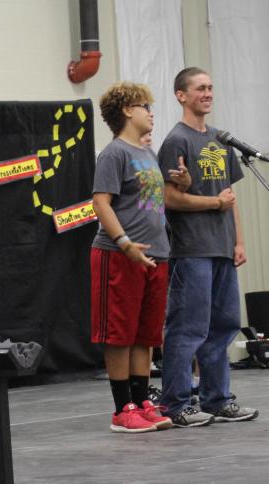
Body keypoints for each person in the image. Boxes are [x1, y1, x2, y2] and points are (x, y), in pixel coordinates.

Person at [157, 67, 259, 427]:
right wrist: (214, 204)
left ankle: (217, 398)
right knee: (188, 328)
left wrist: (239, 240)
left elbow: (231, 198)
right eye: (200, 88)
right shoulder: (176, 141)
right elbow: (169, 198)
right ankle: (176, 403)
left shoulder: (221, 139)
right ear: (181, 95)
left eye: (211, 87)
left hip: (222, 249)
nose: (208, 93)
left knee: (225, 325)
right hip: (192, 249)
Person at [91, 81, 188, 433]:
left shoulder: (147, 153)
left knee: (145, 334)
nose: (151, 112)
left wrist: (184, 184)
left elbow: (152, 201)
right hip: (120, 254)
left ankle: (142, 399)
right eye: (145, 105)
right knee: (120, 333)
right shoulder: (114, 153)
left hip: (155, 254)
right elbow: (101, 202)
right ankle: (122, 409)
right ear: (128, 111)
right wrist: (124, 241)